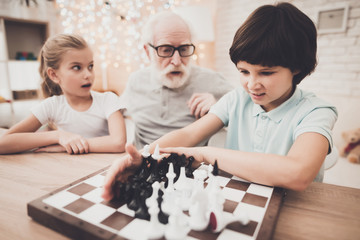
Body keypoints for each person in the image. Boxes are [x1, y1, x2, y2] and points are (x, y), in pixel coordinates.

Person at [102, 2, 338, 201]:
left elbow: (297, 174)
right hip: (236, 198)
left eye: (266, 73)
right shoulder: (237, 98)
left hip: (296, 210)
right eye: (244, 71)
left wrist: (205, 155)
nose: (252, 84)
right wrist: (144, 157)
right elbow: (188, 135)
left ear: (297, 68)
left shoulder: (316, 111)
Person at [120, 11, 232, 149]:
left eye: (184, 49)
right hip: (143, 163)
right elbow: (114, 114)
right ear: (148, 52)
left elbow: (249, 116)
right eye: (166, 50)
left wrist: (220, 107)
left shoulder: (212, 80)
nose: (177, 61)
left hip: (193, 166)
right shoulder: (136, 81)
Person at [0, 34, 126, 154]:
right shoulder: (52, 105)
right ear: (54, 75)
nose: (88, 75)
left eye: (90, 66)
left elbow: (118, 143)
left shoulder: (108, 100)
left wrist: (68, 146)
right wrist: (58, 136)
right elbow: (3, 143)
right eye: (77, 67)